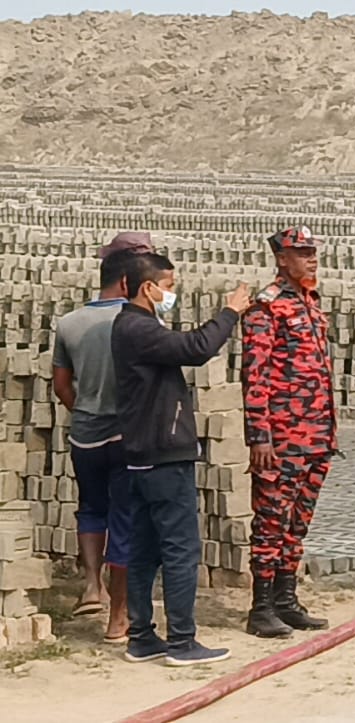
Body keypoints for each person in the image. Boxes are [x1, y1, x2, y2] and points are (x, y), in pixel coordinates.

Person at [112, 252, 251, 666]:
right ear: (146, 288)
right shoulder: (137, 327)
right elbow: (196, 347)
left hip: (141, 455)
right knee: (180, 550)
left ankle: (141, 637)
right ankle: (182, 641)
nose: (171, 293)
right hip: (163, 457)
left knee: (144, 549)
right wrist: (229, 312)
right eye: (168, 285)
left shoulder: (133, 326)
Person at [50, 233, 152, 642]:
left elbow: (61, 386)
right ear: (129, 280)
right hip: (126, 435)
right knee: (126, 519)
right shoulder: (138, 321)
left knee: (91, 508)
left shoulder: (70, 323)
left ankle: (92, 585)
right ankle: (118, 617)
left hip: (86, 434)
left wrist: (85, 411)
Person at [240, 226, 338, 638]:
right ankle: (261, 606)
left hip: (316, 435)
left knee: (298, 523)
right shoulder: (267, 308)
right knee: (271, 523)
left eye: (313, 251)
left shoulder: (310, 303)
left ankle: (286, 598)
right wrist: (259, 435)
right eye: (301, 252)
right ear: (282, 259)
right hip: (282, 438)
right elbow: (255, 375)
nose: (311, 259)